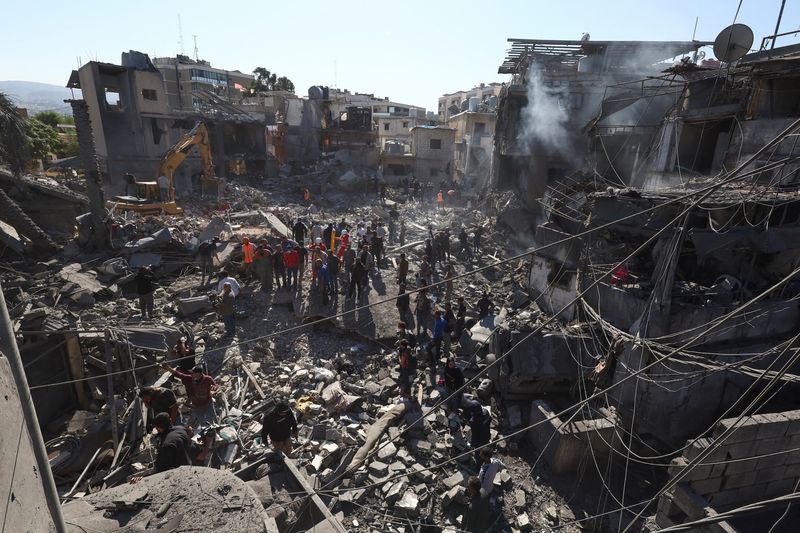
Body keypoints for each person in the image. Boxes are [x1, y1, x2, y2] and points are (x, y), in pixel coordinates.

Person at [162, 364, 218, 429]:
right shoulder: (189, 378)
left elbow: (216, 385)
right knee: (204, 425)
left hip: (208, 404)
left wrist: (215, 388)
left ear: (198, 374)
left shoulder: (208, 379)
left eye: (193, 373)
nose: (191, 374)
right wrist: (169, 369)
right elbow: (179, 374)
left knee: (212, 421)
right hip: (197, 406)